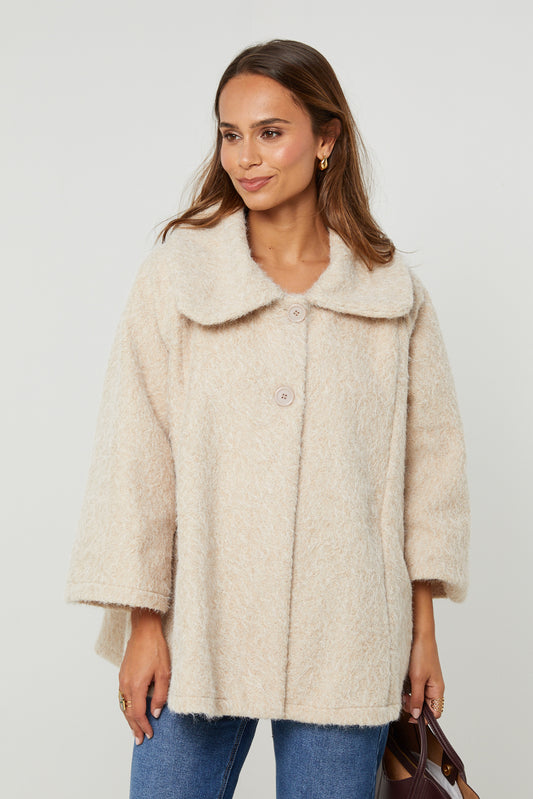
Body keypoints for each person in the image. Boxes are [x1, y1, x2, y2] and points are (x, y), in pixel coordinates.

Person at [65, 38, 471, 799]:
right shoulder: (178, 278)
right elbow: (135, 456)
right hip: (198, 627)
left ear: (325, 138)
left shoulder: (390, 293)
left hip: (347, 629)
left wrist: (422, 633)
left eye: (270, 132)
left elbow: (429, 473)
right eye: (230, 134)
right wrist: (142, 622)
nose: (245, 157)